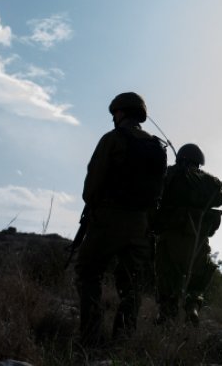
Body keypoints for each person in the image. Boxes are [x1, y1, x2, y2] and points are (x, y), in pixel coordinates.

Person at [74, 92, 167, 346]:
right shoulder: (158, 147)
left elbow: (91, 185)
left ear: (122, 112)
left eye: (115, 113)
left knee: (88, 272)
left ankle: (91, 337)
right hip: (141, 225)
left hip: (109, 219)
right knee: (131, 285)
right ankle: (122, 341)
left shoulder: (112, 139)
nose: (113, 118)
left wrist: (94, 208)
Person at [152, 143, 222, 325]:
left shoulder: (170, 174)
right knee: (197, 281)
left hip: (170, 239)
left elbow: (153, 189)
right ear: (199, 162)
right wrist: (209, 178)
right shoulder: (208, 182)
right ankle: (193, 308)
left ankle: (166, 315)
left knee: (167, 280)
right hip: (198, 241)